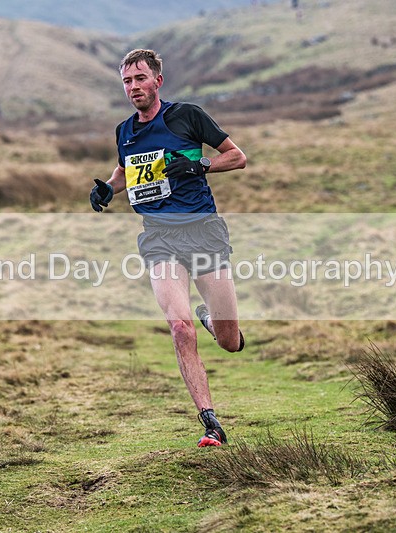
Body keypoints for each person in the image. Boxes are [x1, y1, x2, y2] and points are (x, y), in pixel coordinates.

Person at [89, 49, 247, 447]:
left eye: (140, 78)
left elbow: (237, 157)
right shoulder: (125, 131)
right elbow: (124, 171)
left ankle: (212, 321)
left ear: (157, 81)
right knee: (179, 327)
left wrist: (199, 166)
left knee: (230, 341)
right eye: (127, 81)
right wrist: (108, 188)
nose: (133, 87)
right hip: (159, 237)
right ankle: (210, 422)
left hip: (203, 231)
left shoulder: (187, 116)